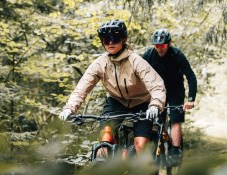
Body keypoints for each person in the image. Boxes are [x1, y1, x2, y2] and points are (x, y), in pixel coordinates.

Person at [59, 20, 166, 154]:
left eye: (114, 38)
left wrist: (155, 104)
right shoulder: (100, 63)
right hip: (116, 101)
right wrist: (69, 108)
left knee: (141, 145)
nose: (110, 43)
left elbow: (156, 84)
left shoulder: (135, 61)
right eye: (106, 39)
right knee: (103, 142)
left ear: (123, 39)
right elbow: (82, 87)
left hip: (142, 103)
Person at [142, 29, 197, 163]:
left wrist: (191, 99)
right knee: (154, 118)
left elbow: (191, 77)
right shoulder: (149, 55)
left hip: (175, 90)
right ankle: (156, 145)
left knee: (174, 119)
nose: (159, 49)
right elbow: (138, 74)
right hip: (156, 91)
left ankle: (176, 150)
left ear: (169, 44)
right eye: (157, 46)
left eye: (162, 46)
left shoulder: (177, 55)